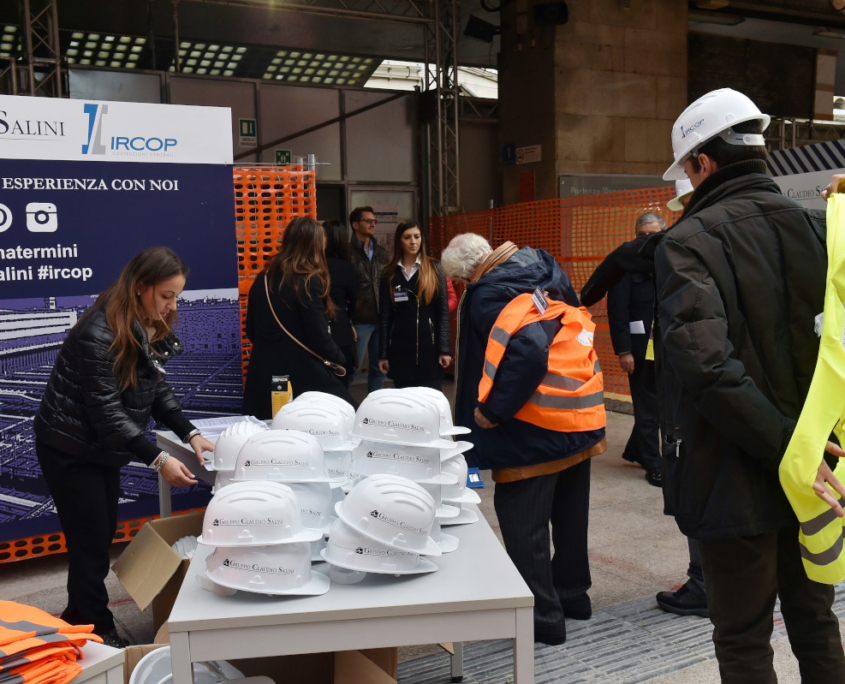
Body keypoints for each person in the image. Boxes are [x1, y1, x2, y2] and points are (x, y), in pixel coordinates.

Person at [654, 88, 845, 682]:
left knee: (742, 637)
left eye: (686, 170)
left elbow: (706, 366)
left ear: (702, 163)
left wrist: (787, 448)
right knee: (815, 622)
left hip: (730, 474)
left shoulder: (686, 242)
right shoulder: (819, 228)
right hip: (817, 467)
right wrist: (805, 448)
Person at [32, 247, 215, 649]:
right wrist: (159, 458)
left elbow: (156, 388)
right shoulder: (98, 333)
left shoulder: (144, 323)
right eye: (165, 296)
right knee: (91, 542)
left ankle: (80, 614)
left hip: (99, 447)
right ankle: (95, 623)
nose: (171, 306)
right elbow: (108, 416)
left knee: (96, 537)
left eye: (176, 297)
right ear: (140, 286)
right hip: (69, 447)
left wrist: (190, 433)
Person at [442, 234, 607, 646]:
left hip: (528, 429)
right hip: (575, 412)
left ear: (465, 274)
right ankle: (573, 597)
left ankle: (544, 617)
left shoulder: (487, 295)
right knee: (571, 516)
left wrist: (493, 410)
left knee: (524, 523)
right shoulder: (544, 267)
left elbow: (530, 351)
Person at [243, 217, 355, 418]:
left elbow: (251, 329)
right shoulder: (308, 281)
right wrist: (339, 358)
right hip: (303, 376)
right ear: (315, 244)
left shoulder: (263, 278)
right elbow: (318, 335)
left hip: (263, 373)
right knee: (346, 417)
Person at [607, 212, 664, 487]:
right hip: (640, 352)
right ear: (635, 235)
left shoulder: (671, 264)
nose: (648, 240)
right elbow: (618, 312)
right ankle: (653, 463)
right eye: (643, 235)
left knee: (660, 407)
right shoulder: (626, 267)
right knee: (647, 409)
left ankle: (636, 450)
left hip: (667, 351)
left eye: (654, 234)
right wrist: (624, 351)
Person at [377, 221, 451, 389]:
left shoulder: (434, 267)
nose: (413, 242)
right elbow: (385, 316)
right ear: (399, 241)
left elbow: (443, 312)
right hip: (400, 348)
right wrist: (383, 354)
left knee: (431, 401)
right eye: (407, 237)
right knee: (405, 404)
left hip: (429, 348)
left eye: (417, 237)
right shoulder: (388, 272)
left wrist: (445, 349)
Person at [348, 206, 389, 392]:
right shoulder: (347, 252)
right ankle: (342, 405)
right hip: (359, 318)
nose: (373, 224)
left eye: (374, 221)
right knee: (352, 367)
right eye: (368, 221)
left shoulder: (381, 252)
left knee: (379, 367)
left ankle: (376, 408)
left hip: (381, 317)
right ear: (355, 225)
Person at [323, 219, 358, 388]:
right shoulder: (346, 267)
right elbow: (354, 301)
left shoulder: (314, 264)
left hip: (318, 328)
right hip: (341, 328)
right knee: (342, 380)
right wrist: (347, 317)